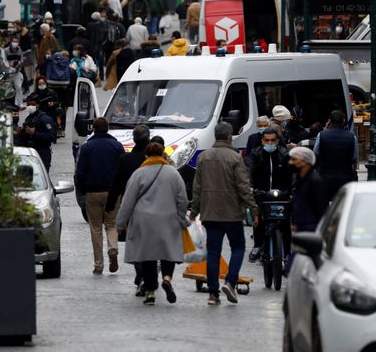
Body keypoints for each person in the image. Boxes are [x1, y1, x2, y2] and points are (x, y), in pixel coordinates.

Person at [190, 122, 258, 305]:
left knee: (213, 252)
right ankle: (230, 281)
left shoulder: (203, 157)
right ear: (229, 137)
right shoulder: (235, 158)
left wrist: (194, 210)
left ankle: (213, 293)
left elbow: (197, 188)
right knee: (238, 247)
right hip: (232, 213)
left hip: (210, 212)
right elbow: (243, 187)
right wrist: (253, 208)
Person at [116, 141, 189, 305]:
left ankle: (150, 292)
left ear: (146, 156)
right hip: (168, 219)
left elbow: (127, 201)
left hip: (144, 221)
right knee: (167, 253)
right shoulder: (173, 173)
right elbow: (182, 198)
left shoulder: (139, 174)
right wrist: (181, 215)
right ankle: (167, 278)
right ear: (163, 154)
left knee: (148, 256)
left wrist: (120, 224)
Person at [74, 117, 124, 275]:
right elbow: (122, 170)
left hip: (93, 192)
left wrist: (82, 190)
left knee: (95, 228)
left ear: (93, 129)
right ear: (107, 128)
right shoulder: (117, 146)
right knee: (112, 224)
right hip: (112, 192)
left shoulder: (87, 147)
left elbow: (80, 171)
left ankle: (98, 264)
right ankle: (113, 248)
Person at [106, 125, 149, 293]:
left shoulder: (125, 159)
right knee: (151, 242)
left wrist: (110, 204)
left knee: (136, 242)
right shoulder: (153, 160)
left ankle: (140, 275)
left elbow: (116, 184)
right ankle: (148, 275)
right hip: (154, 207)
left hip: (132, 208)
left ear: (134, 139)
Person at [246, 127, 291, 262]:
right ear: (262, 141)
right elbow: (249, 169)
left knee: (285, 222)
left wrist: (292, 187)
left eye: (272, 140)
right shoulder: (255, 154)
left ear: (277, 140)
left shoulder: (284, 154)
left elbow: (292, 172)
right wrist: (250, 186)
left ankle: (287, 251)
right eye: (267, 140)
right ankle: (258, 246)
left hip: (281, 194)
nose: (270, 143)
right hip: (262, 193)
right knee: (258, 219)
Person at [314, 110, 358, 201]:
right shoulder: (352, 137)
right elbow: (354, 158)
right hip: (345, 179)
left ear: (329, 121)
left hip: (325, 178)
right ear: (344, 121)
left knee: (324, 206)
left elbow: (316, 154)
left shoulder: (321, 135)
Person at [288, 146, 328, 232]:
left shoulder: (315, 182)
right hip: (302, 227)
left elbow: (322, 208)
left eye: (294, 159)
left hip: (312, 229)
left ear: (304, 161)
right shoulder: (299, 180)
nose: (290, 162)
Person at [16, 95, 57, 172]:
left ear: (38, 105)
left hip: (42, 153)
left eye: (33, 104)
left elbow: (52, 136)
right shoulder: (29, 118)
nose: (30, 106)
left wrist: (34, 133)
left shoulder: (45, 119)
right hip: (29, 152)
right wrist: (20, 133)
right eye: (28, 104)